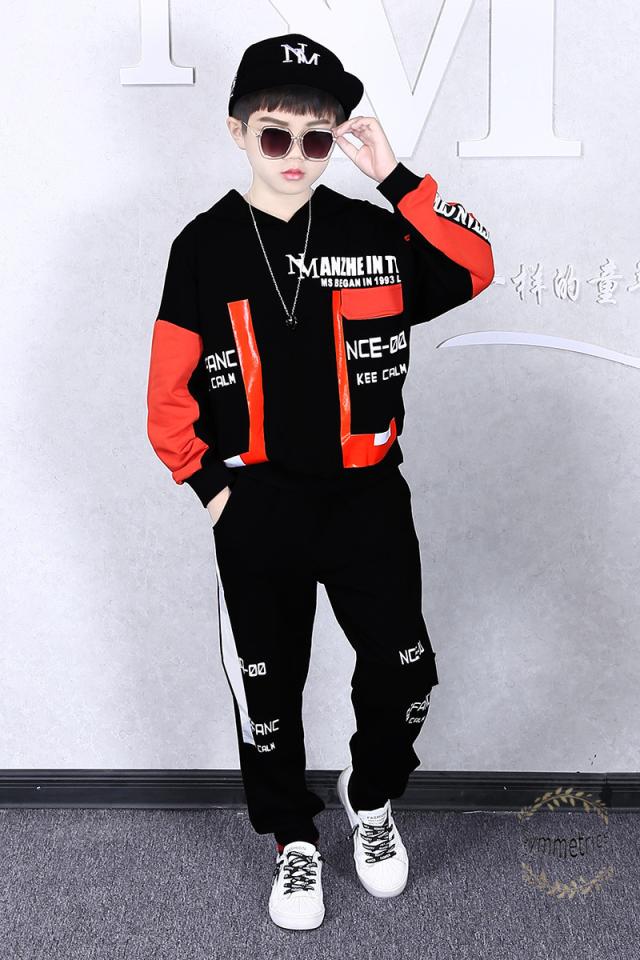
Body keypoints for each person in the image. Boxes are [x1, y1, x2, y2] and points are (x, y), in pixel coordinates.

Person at [146, 32, 494, 930]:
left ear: (337, 136)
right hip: (257, 506)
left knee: (407, 671)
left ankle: (370, 797)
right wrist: (211, 490)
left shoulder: (375, 233)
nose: (295, 154)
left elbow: (475, 265)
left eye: (317, 135)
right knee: (267, 688)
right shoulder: (203, 247)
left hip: (367, 501)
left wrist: (395, 177)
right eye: (275, 134)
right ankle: (291, 838)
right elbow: (166, 395)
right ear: (237, 132)